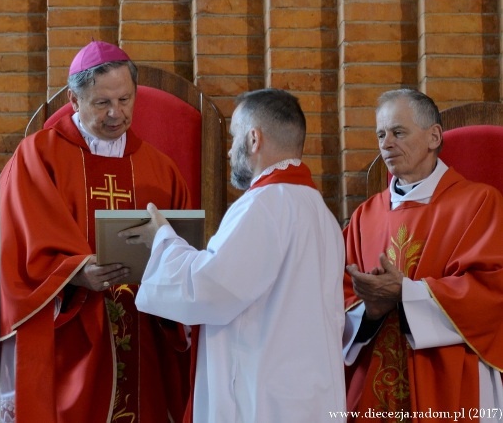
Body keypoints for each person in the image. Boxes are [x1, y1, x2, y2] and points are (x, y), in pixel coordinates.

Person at [0, 40, 192, 422]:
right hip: (66, 338)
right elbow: (11, 254)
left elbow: (185, 249)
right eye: (102, 103)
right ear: (73, 99)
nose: (116, 114)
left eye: (125, 100)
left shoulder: (161, 169)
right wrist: (74, 274)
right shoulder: (36, 158)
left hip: (144, 337)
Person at [120, 88, 347, 422]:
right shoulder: (320, 212)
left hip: (264, 399)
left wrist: (162, 239)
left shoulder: (263, 205)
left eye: (233, 137)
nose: (228, 152)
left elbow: (211, 289)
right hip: (310, 397)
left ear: (253, 139)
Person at [342, 89, 503, 422]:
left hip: (453, 375)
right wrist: (367, 312)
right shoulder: (365, 216)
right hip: (375, 380)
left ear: (434, 137)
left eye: (398, 132)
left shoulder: (479, 203)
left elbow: (491, 291)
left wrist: (406, 294)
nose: (386, 143)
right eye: (380, 134)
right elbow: (337, 293)